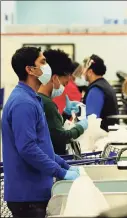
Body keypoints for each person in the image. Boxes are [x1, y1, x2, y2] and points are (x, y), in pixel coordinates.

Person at [1, 47, 80, 218]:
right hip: (27, 195)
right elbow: (27, 148)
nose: (47, 66)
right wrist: (60, 172)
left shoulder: (32, 99)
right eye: (42, 62)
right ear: (30, 69)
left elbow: (42, 146)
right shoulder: (23, 103)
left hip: (35, 191)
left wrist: (64, 165)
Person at [38, 49, 88, 155]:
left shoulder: (40, 99)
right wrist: (80, 127)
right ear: (55, 78)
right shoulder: (47, 104)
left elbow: (52, 130)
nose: (63, 88)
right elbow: (60, 138)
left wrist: (65, 115)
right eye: (64, 84)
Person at [83, 54, 118, 131]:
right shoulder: (104, 85)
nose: (83, 72)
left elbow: (91, 121)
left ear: (90, 72)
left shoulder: (95, 90)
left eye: (84, 68)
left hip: (100, 137)